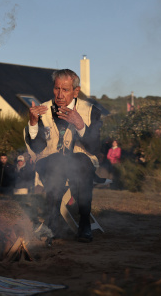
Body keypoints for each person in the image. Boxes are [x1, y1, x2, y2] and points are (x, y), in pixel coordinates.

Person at [25, 69, 102, 243]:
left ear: (76, 91)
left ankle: (84, 223)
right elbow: (37, 148)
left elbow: (96, 147)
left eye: (65, 90)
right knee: (56, 162)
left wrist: (80, 124)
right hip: (49, 161)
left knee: (82, 161)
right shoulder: (42, 109)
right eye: (56, 88)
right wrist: (33, 123)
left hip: (80, 164)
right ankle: (53, 221)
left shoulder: (91, 111)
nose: (59, 94)